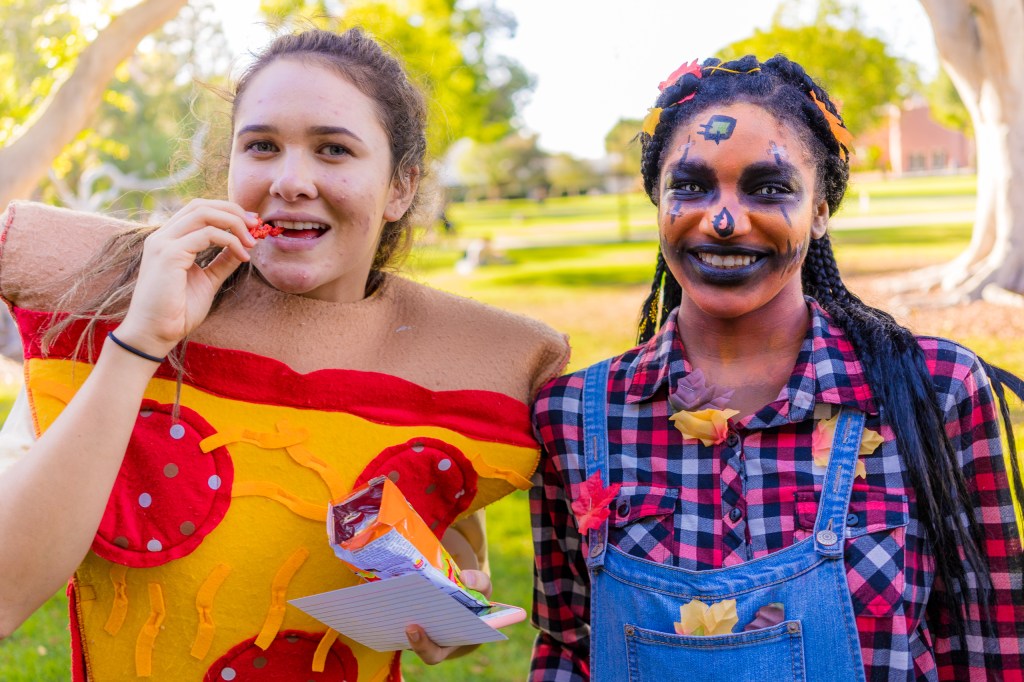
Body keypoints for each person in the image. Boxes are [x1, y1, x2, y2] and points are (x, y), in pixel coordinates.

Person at [0, 27, 568, 680]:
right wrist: (140, 343)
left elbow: (457, 580)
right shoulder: (106, 321)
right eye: (263, 146)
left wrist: (449, 627)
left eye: (334, 149)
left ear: (400, 188)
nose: (291, 181)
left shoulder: (446, 381)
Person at [530, 54, 1024, 681]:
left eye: (769, 187)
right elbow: (567, 649)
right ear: (657, 200)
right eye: (691, 186)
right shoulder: (573, 417)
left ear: (821, 209)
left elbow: (991, 645)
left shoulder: (935, 390)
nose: (725, 220)